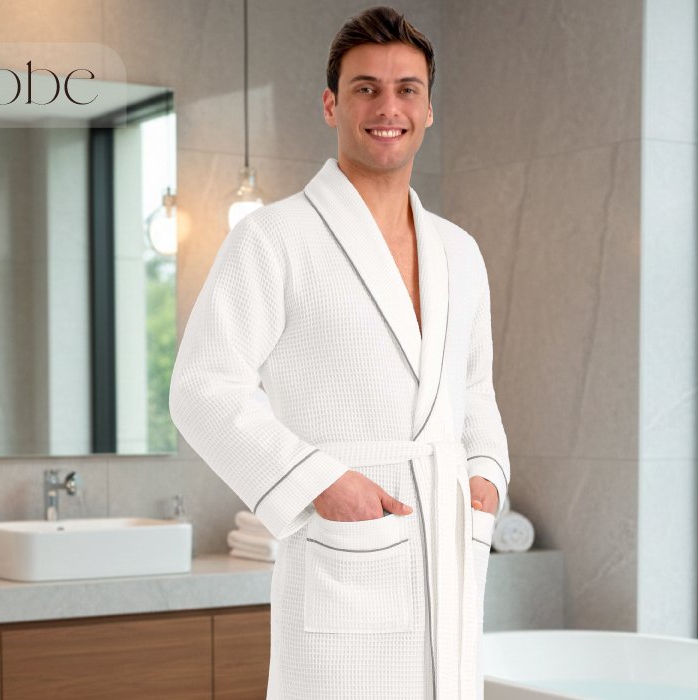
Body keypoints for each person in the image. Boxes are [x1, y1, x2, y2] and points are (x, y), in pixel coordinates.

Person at [169, 6, 510, 698]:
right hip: (343, 553)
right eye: (365, 88)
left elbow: (475, 389)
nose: (388, 107)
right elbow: (202, 389)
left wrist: (486, 476)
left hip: (448, 543)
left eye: (407, 89)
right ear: (331, 105)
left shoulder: (460, 251)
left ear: (429, 109)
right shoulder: (273, 238)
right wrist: (321, 482)